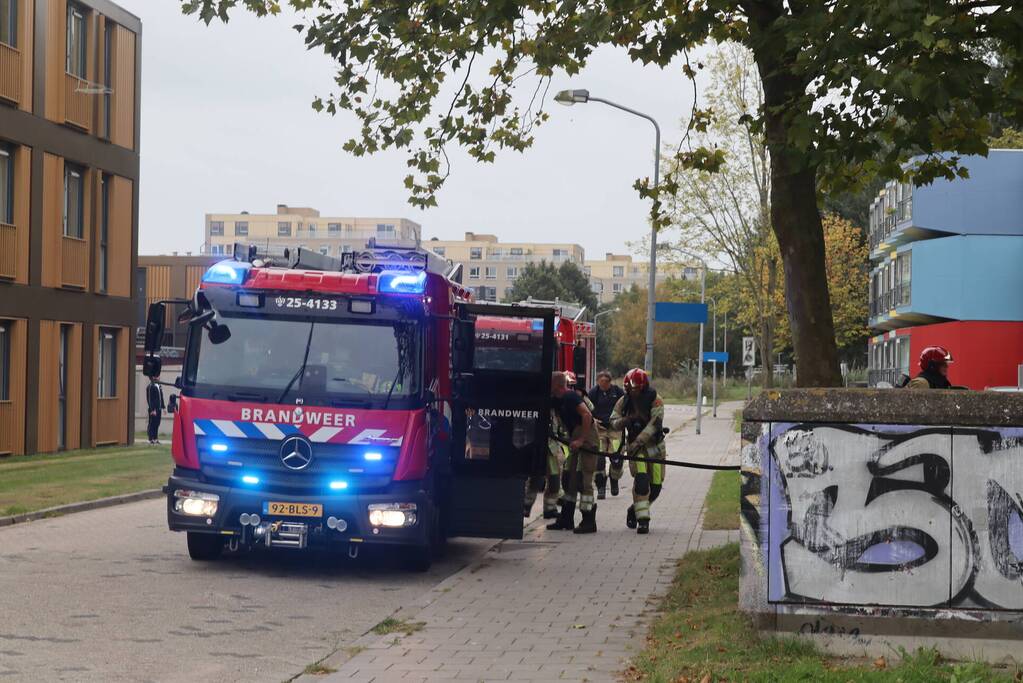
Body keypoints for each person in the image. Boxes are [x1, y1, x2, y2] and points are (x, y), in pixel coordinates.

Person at [609, 368, 666, 535]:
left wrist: (638, 441)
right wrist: (625, 421)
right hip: (636, 451)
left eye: (635, 388)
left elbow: (655, 424)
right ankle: (643, 521)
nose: (633, 392)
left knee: (655, 488)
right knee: (641, 483)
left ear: (643, 386)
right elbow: (612, 421)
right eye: (629, 389)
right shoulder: (623, 401)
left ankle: (633, 510)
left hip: (654, 449)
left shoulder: (656, 400)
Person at [547, 371, 600, 534]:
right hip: (575, 438)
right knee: (569, 477)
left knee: (585, 480)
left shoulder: (571, 397)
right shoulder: (557, 400)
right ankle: (566, 518)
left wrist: (581, 440)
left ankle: (588, 521)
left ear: (556, 385)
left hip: (587, 438)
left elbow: (587, 415)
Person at [524, 403, 567, 520]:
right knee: (535, 479)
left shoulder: (556, 406)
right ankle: (525, 506)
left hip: (552, 447)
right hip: (536, 446)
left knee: (554, 479)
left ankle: (550, 508)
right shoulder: (535, 403)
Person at [588, 370, 625, 499]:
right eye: (601, 382)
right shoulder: (593, 393)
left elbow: (626, 407)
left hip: (615, 429)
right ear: (598, 381)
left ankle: (614, 480)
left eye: (606, 382)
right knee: (599, 460)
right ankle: (601, 487)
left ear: (610, 381)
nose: (603, 384)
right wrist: (593, 420)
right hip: (599, 430)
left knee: (617, 458)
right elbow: (586, 409)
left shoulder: (618, 392)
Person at [146, 374, 165, 445]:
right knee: (152, 424)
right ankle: (150, 439)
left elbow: (161, 398)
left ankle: (155, 438)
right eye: (157, 376)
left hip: (158, 408)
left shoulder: (159, 386)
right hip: (153, 409)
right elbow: (150, 399)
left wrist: (163, 407)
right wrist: (152, 409)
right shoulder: (150, 386)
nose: (159, 377)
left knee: (157, 423)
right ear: (153, 377)